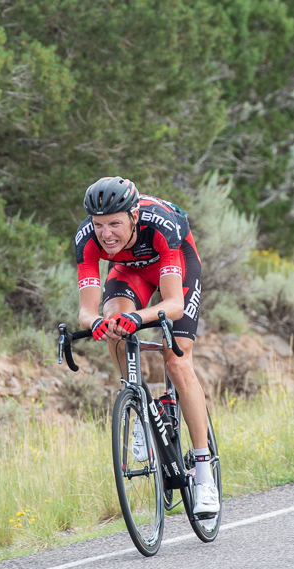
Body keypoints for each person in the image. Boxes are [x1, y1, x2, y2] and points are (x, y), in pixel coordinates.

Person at [74, 176, 218, 515]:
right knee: (114, 324)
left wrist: (139, 318)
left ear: (134, 216)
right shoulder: (87, 240)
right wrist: (98, 323)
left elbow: (173, 305)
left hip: (175, 264)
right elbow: (86, 310)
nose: (105, 234)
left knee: (178, 362)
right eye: (98, 225)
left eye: (114, 224)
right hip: (129, 272)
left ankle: (203, 473)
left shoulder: (162, 227)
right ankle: (138, 407)